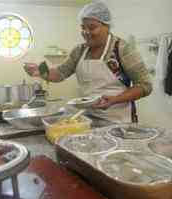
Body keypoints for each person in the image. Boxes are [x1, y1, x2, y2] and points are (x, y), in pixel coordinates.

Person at [23, 0, 152, 123]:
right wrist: (40, 70)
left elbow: (145, 85)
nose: (86, 32)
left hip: (118, 121)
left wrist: (114, 100)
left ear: (107, 26)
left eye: (92, 27)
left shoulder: (122, 49)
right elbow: (60, 73)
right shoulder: (79, 51)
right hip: (87, 118)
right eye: (83, 27)